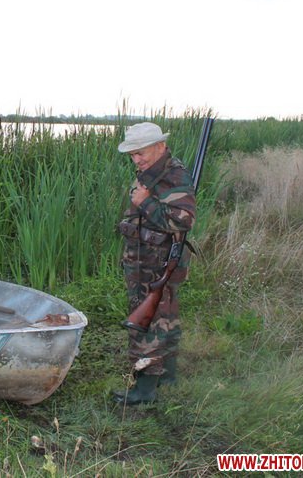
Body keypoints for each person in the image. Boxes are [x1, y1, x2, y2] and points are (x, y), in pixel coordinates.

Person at [112, 122, 196, 406]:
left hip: (155, 263)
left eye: (141, 153)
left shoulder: (173, 176)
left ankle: (144, 389)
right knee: (165, 316)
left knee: (146, 323)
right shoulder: (154, 171)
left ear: (160, 146)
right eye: (132, 155)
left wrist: (145, 202)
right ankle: (167, 377)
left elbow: (183, 221)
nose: (136, 160)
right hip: (148, 259)